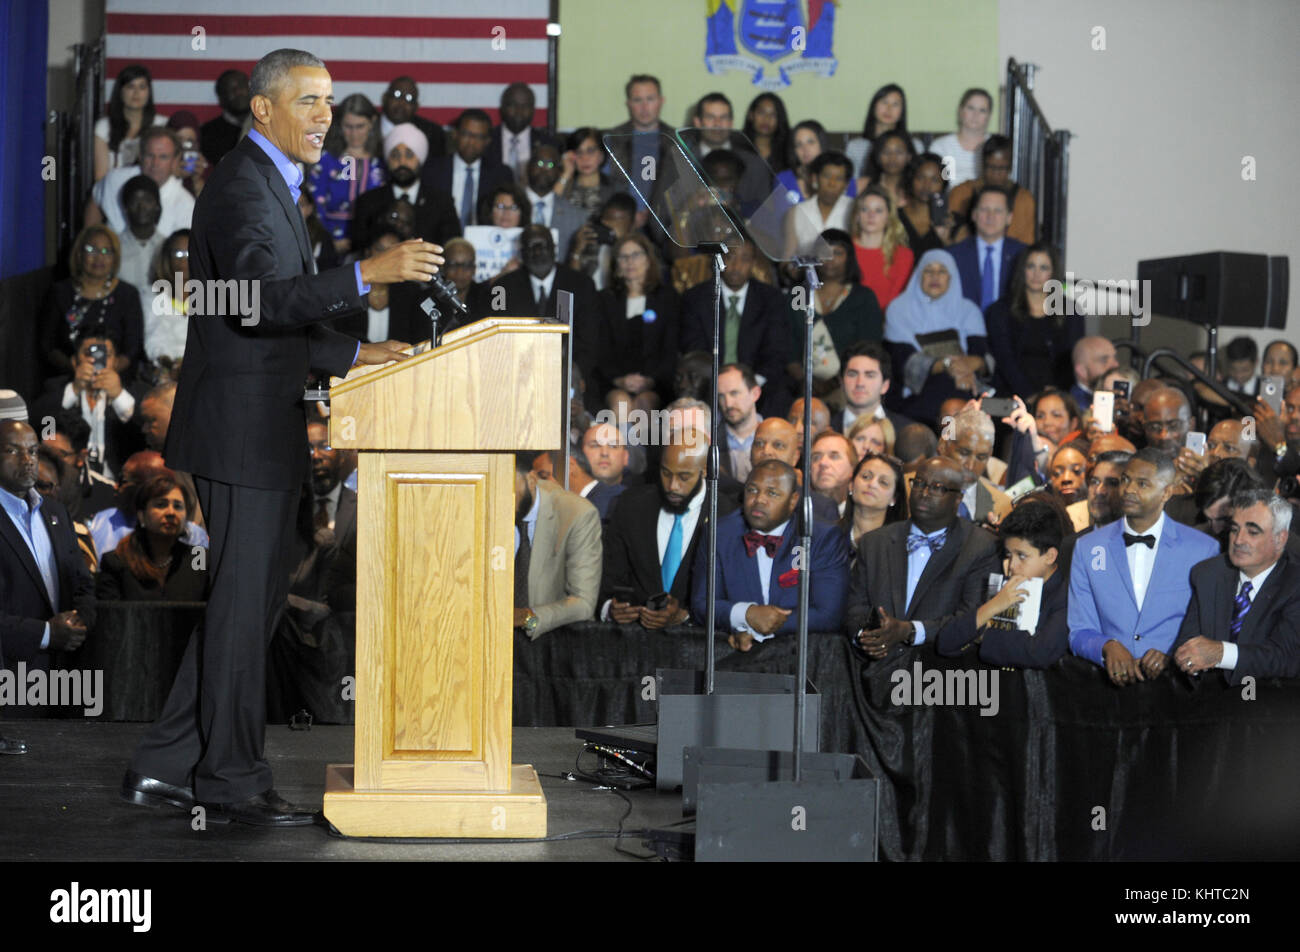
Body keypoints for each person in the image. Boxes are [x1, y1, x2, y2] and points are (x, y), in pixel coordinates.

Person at [121, 48, 440, 827]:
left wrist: (362, 352)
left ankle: (164, 766)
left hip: (260, 431)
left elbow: (277, 325)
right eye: (309, 103)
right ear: (263, 110)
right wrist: (368, 275)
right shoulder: (240, 184)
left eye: (331, 103)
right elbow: (262, 304)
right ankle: (228, 784)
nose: (325, 117)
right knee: (241, 610)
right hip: (241, 434)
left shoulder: (266, 183)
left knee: (249, 608)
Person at [1067, 449, 1220, 685]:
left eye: (1142, 483)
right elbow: (1079, 630)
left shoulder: (1203, 549)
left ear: (1167, 492)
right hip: (1104, 689)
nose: (1128, 490)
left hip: (1177, 689)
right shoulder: (1088, 547)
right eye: (1126, 480)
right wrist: (1107, 646)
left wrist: (1173, 653)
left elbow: (1208, 628)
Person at [847, 456, 1001, 660]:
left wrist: (910, 631)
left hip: (941, 676)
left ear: (958, 499)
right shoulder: (874, 543)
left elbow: (972, 618)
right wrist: (867, 638)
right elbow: (854, 608)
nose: (924, 493)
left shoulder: (981, 546)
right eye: (919, 484)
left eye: (937, 488)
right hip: (873, 670)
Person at [0, 421, 96, 737]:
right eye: (12, 450)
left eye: (32, 450)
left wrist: (78, 622)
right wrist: (45, 634)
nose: (27, 460)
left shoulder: (56, 512)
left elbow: (82, 582)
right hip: (11, 680)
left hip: (66, 676)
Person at [692, 459, 850, 651]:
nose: (759, 500)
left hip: (800, 656)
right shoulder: (719, 533)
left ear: (793, 501)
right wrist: (746, 614)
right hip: (735, 656)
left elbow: (829, 614)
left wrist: (761, 627)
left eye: (772, 493)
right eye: (752, 490)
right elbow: (702, 605)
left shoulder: (820, 538)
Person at [600, 438, 735, 628]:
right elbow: (608, 576)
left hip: (696, 644)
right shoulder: (631, 505)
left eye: (684, 477)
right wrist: (610, 609)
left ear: (704, 470)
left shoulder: (727, 515)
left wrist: (685, 616)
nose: (672, 486)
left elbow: (731, 596)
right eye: (665, 473)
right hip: (634, 640)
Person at [1172, 490, 1300, 683]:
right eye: (1234, 529)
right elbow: (1186, 646)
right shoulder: (1208, 573)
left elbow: (1286, 658)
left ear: (1280, 539)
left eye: (1253, 532)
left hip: (1273, 702)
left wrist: (1222, 653)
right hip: (1210, 703)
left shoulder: (1294, 582)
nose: (1239, 540)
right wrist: (1191, 662)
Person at [936, 497, 1070, 668]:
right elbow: (946, 642)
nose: (1012, 566)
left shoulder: (1066, 596)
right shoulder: (1001, 587)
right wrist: (994, 605)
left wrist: (983, 635)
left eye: (1022, 556)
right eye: (1008, 555)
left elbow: (1041, 651)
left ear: (1050, 556)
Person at [479, 225, 599, 396]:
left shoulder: (581, 284)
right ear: (521, 252)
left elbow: (589, 340)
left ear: (554, 248)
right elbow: (499, 339)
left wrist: (569, 373)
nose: (537, 253)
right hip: (519, 378)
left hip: (569, 376)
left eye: (542, 246)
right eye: (530, 247)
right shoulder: (503, 288)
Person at [681, 241, 791, 419]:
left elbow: (776, 351)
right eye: (730, 257)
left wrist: (749, 386)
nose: (736, 266)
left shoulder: (771, 299)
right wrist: (722, 384)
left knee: (780, 394)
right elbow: (694, 348)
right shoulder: (696, 298)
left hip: (757, 383)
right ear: (719, 259)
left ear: (754, 263)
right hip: (710, 383)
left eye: (745, 259)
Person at [883, 249, 989, 415]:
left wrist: (968, 365)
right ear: (919, 275)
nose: (935, 276)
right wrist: (948, 365)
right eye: (928, 271)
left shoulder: (968, 310)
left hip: (964, 387)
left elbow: (982, 358)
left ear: (951, 277)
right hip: (915, 395)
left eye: (942, 271)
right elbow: (904, 362)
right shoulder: (898, 309)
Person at [31, 331, 146, 479]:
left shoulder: (135, 392)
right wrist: (74, 390)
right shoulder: (55, 388)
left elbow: (146, 433)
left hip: (117, 479)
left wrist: (119, 396)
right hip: (66, 476)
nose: (95, 360)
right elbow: (40, 424)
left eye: (106, 355)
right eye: (89, 353)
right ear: (74, 361)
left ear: (116, 363)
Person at [513, 451, 602, 639]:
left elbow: (583, 603)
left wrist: (528, 619)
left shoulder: (577, 514)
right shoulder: (484, 503)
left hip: (556, 644)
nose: (502, 500)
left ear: (530, 480)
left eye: (510, 491)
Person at [40, 225, 145, 379]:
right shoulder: (60, 292)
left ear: (115, 257)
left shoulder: (127, 295)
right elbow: (47, 345)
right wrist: (73, 367)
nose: (99, 257)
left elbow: (133, 347)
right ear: (79, 254)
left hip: (116, 380)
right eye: (91, 250)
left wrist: (108, 372)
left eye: (106, 251)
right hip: (68, 379)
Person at [789, 229, 885, 392]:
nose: (830, 259)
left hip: (850, 386)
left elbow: (870, 348)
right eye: (824, 252)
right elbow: (785, 346)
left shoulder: (863, 298)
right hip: (799, 386)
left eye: (838, 253)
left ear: (849, 258)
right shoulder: (799, 294)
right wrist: (804, 381)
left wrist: (833, 384)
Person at [593, 232, 679, 412]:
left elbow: (670, 348)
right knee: (620, 403)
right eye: (623, 257)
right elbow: (600, 349)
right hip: (614, 381)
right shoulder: (604, 300)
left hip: (656, 382)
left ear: (648, 260)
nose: (629, 262)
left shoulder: (667, 298)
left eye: (636, 255)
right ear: (616, 265)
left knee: (644, 403)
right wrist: (619, 380)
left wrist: (650, 380)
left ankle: (641, 442)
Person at [984, 243, 1081, 397]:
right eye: (1031, 266)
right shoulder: (999, 311)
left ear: (1053, 273)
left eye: (1043, 268)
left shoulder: (1071, 309)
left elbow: (1073, 359)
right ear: (1022, 270)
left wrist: (1055, 393)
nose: (1036, 274)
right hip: (1010, 395)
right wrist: (1030, 395)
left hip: (1058, 395)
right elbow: (1005, 361)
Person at [351, 123, 461, 255]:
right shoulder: (368, 201)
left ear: (420, 159)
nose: (402, 162)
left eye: (409, 155)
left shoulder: (442, 202)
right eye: (395, 155)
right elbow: (358, 248)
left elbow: (451, 248)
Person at [96, 472, 207, 601]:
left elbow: (205, 604)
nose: (171, 512)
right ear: (141, 515)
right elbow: (110, 615)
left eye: (178, 506)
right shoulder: (117, 560)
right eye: (161, 505)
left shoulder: (198, 556)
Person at [307, 93, 387, 255]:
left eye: (360, 126)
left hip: (372, 248)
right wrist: (330, 240)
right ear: (339, 125)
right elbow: (314, 204)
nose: (354, 133)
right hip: (327, 245)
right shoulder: (326, 161)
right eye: (348, 127)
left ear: (372, 123)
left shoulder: (383, 163)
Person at [87, 128, 194, 240]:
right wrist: (89, 239)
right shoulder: (115, 179)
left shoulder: (186, 205)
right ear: (140, 156)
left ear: (175, 160)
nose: (155, 163)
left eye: (163, 157)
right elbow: (95, 199)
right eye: (150, 155)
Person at [603, 74, 673, 220]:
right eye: (638, 100)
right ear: (629, 104)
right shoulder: (613, 140)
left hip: (666, 223)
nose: (644, 107)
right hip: (622, 219)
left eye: (650, 99)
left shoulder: (677, 141)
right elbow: (605, 186)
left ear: (661, 101)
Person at [427, 109, 513, 229]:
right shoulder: (432, 170)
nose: (471, 142)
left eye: (478, 137)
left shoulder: (501, 174)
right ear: (455, 134)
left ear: (487, 141)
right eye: (466, 134)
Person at [947, 185, 1027, 311]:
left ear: (1009, 218)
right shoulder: (953, 256)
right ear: (974, 215)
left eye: (998, 211)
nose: (991, 216)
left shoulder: (1023, 255)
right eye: (984, 209)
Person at [947, 135, 1037, 245]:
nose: (995, 174)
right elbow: (949, 236)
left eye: (1001, 168)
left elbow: (1026, 244)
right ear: (983, 165)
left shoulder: (1023, 200)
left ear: (1010, 167)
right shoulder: (962, 193)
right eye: (990, 167)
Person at [938, 405, 1012, 524]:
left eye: (981, 457)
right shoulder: (908, 487)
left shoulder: (1003, 505)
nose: (971, 466)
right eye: (964, 453)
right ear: (943, 445)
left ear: (990, 455)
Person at [94, 63, 165, 181]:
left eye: (142, 87)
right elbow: (100, 177)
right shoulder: (104, 127)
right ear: (120, 92)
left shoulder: (162, 125)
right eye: (130, 87)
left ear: (149, 92)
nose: (136, 93)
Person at [850, 187, 914, 311]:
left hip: (888, 323)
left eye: (878, 210)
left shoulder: (903, 255)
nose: (871, 215)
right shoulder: (844, 250)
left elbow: (898, 301)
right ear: (857, 215)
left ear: (888, 217)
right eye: (865, 209)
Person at [845, 83, 923, 181]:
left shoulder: (915, 145)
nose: (888, 109)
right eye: (884, 102)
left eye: (895, 104)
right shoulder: (855, 146)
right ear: (874, 106)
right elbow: (851, 184)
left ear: (902, 112)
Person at [783, 152, 854, 259]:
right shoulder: (797, 211)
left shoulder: (855, 209)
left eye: (839, 178)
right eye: (827, 176)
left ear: (846, 184)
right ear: (815, 178)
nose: (832, 183)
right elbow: (788, 257)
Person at [524, 143, 587, 261]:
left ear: (559, 172)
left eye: (550, 164)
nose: (544, 169)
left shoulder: (576, 217)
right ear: (528, 166)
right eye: (540, 163)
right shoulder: (509, 206)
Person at [777, 120, 858, 204]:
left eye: (810, 142)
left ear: (822, 143)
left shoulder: (842, 176)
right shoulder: (783, 179)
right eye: (799, 144)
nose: (805, 149)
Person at [142, 230, 192, 369]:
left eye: (189, 253)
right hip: (167, 368)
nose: (183, 260)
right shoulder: (152, 297)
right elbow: (154, 339)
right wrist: (173, 365)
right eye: (177, 254)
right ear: (166, 257)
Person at [377, 76, 447, 170]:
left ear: (416, 107)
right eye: (397, 95)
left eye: (409, 99)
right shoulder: (362, 127)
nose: (401, 103)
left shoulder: (433, 134)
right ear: (384, 98)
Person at [928, 88, 993, 188]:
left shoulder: (995, 148)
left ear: (989, 116)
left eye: (982, 110)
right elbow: (938, 184)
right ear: (960, 111)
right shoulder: (941, 147)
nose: (975, 115)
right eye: (971, 108)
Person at [841, 450, 907, 548]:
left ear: (894, 499)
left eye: (883, 482)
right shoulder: (830, 535)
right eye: (866, 476)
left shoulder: (901, 546)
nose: (872, 484)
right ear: (851, 485)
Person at [491, 82, 556, 181]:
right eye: (513, 105)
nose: (519, 111)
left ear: (533, 110)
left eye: (525, 106)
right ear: (502, 108)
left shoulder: (548, 143)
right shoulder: (487, 140)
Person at [115, 175, 165, 298]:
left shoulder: (166, 247)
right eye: (134, 200)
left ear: (157, 206)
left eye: (147, 200)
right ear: (126, 208)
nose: (141, 206)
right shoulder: (114, 247)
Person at [898, 153, 954, 257]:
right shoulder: (894, 218)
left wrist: (946, 240)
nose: (926, 186)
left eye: (934, 180)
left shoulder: (953, 222)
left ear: (943, 184)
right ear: (911, 180)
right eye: (920, 178)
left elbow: (962, 264)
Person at [559, 127, 618, 213]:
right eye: (578, 152)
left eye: (590, 151)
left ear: (601, 155)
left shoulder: (616, 188)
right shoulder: (564, 184)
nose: (585, 158)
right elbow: (551, 209)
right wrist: (566, 173)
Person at [200, 70, 251, 167]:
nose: (239, 92)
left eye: (242, 86)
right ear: (220, 99)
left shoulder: (270, 126)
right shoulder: (206, 134)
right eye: (231, 89)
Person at [856, 129, 916, 213]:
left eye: (899, 152)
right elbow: (842, 213)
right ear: (877, 156)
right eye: (886, 151)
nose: (892, 158)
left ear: (909, 156)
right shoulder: (855, 185)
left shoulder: (917, 188)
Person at [809, 430, 857, 518]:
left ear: (853, 468)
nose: (823, 463)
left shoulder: (859, 517)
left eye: (834, 456)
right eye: (816, 458)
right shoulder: (797, 515)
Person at [742, 92, 791, 172]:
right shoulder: (738, 147)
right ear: (751, 115)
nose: (766, 119)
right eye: (761, 113)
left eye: (773, 115)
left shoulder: (787, 152)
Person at [1069, 336, 1120, 411]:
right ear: (1082, 371)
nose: (1115, 364)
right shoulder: (1074, 407)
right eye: (1104, 360)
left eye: (1114, 357)